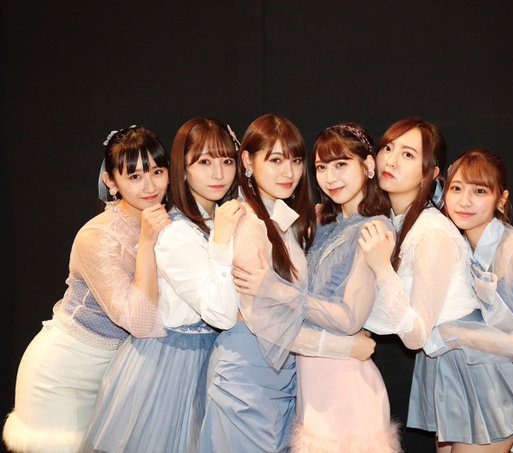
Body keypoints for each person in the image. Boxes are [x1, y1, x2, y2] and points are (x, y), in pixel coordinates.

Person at [200, 114, 375, 453]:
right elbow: (264, 323)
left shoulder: (281, 216)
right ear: (247, 161)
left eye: (295, 161)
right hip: (247, 378)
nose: (288, 172)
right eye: (275, 160)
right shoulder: (246, 222)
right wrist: (345, 348)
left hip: (283, 376)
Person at [78, 118, 242, 452]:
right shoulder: (176, 232)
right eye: (205, 162)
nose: (218, 174)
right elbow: (223, 314)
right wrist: (222, 243)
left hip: (209, 361)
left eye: (227, 161)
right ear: (183, 169)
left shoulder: (218, 220)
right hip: (167, 367)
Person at [233, 123, 400, 452]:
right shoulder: (320, 219)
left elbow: (350, 319)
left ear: (368, 165)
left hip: (346, 382)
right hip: (310, 379)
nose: (330, 178)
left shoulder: (375, 229)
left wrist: (274, 289)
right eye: (322, 167)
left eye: (341, 165)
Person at [3, 126, 170, 453]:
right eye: (134, 176)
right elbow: (139, 322)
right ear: (111, 182)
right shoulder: (98, 237)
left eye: (157, 171)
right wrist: (148, 243)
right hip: (61, 376)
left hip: (115, 375)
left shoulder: (168, 223)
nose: (150, 185)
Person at [413, 148, 513, 453]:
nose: (464, 201)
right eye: (456, 188)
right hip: (466, 374)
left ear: (501, 199)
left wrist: (455, 334)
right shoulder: (457, 242)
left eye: (479, 191)